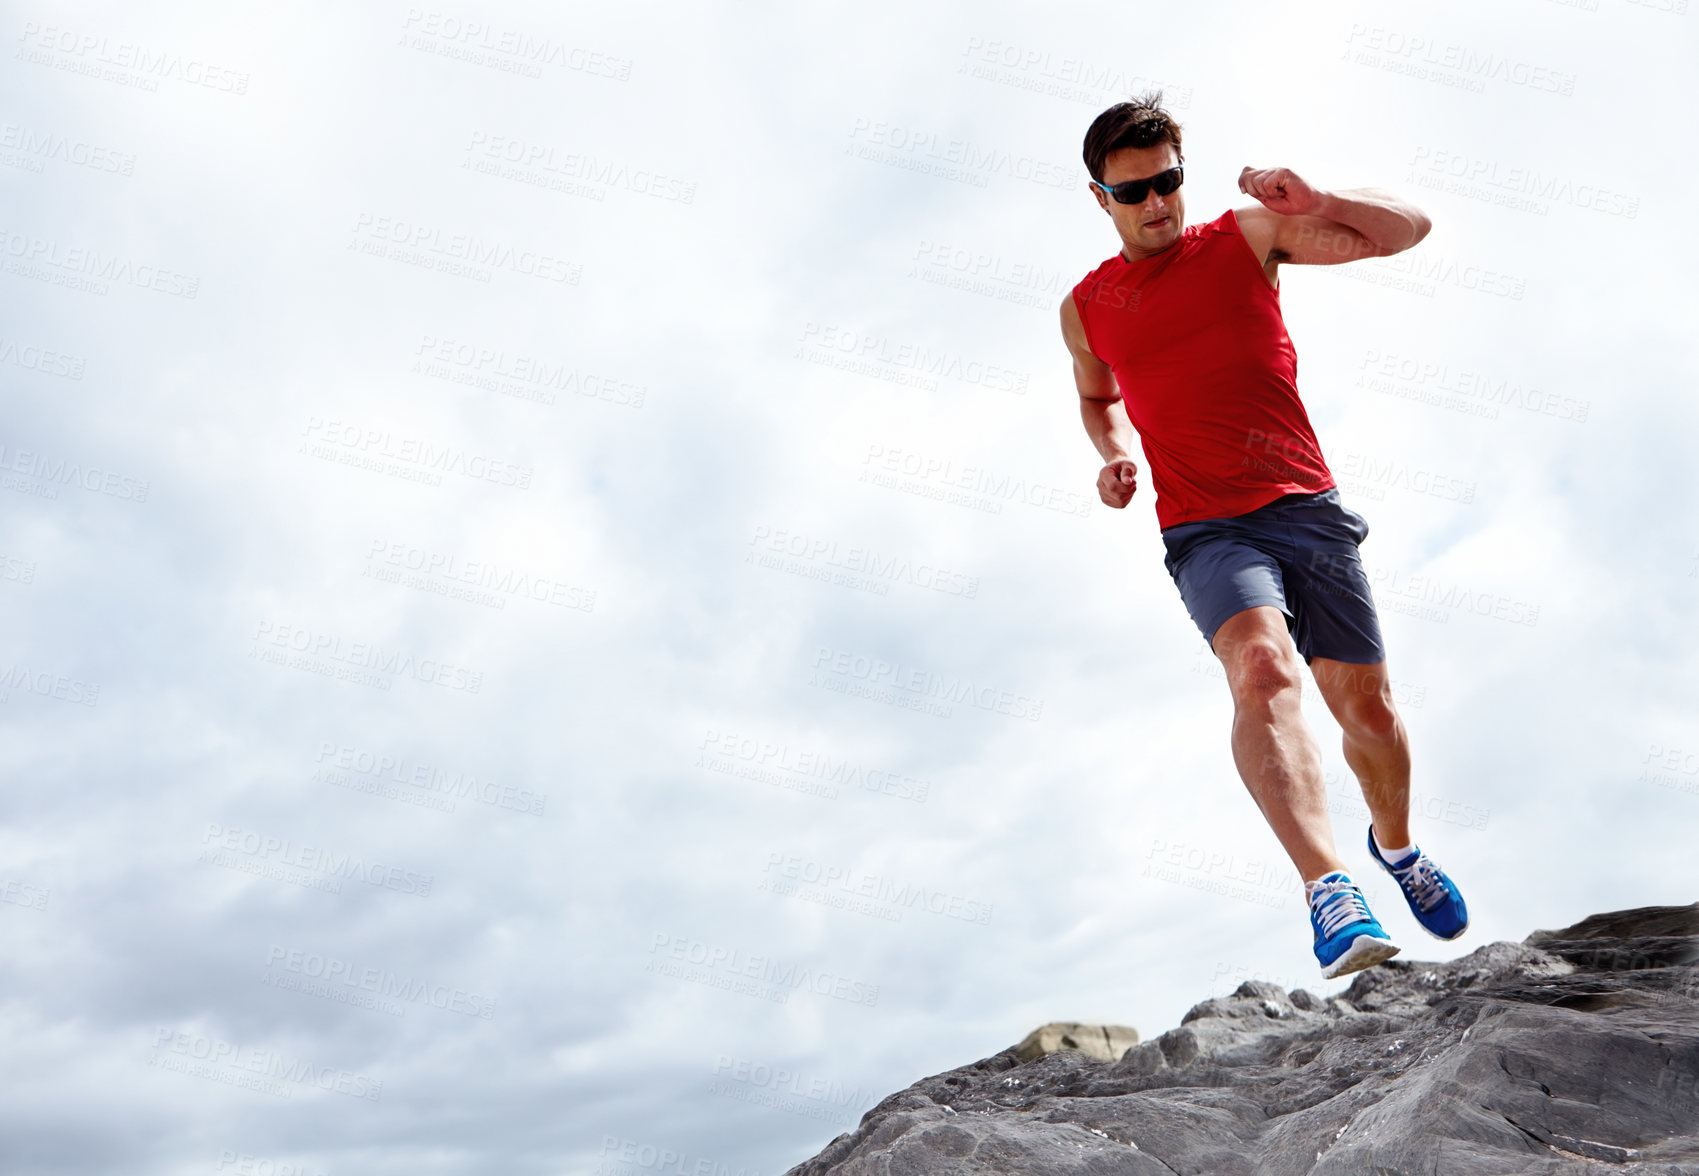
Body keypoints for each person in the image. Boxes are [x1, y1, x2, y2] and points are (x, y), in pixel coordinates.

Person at [1059, 92, 1469, 979]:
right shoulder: (1086, 308)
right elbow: (1097, 398)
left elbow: (1408, 229)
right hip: (1204, 525)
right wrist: (1114, 453)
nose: (1155, 203)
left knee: (1366, 710)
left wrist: (1313, 199)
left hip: (1302, 505)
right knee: (1262, 668)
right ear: (1100, 198)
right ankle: (1329, 889)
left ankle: (1394, 849)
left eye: (1166, 182)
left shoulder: (1244, 238)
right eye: (1132, 193)